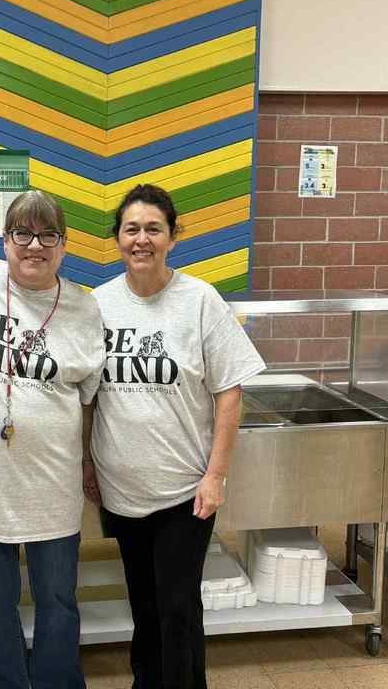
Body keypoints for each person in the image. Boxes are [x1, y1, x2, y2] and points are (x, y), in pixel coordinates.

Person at [84, 184, 265, 689]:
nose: (141, 239)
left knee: (178, 607)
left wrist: (215, 476)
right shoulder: (98, 305)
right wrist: (87, 465)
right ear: (118, 239)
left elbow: (230, 393)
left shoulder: (200, 300)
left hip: (185, 491)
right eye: (131, 229)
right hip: (121, 488)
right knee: (144, 605)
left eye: (153, 229)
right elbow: (88, 399)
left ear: (172, 236)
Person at [0, 190, 105, 689]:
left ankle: (58, 681)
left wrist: (88, 463)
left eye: (48, 235)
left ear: (64, 244)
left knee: (57, 598)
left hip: (51, 483)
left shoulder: (83, 308)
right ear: (4, 239)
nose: (35, 246)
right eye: (22, 234)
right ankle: (2, 680)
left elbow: (91, 400)